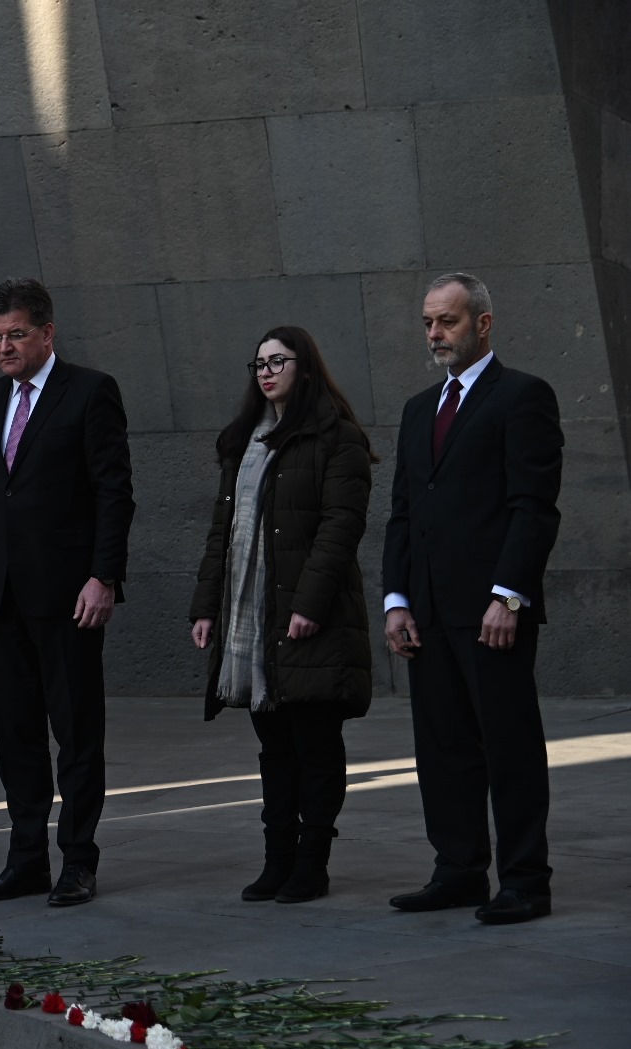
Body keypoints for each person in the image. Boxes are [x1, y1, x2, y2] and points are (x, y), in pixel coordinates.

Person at [382, 273, 564, 925]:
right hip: (427, 612)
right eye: (429, 323)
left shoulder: (523, 397)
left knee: (508, 744)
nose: (435, 334)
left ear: (483, 324)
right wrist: (396, 600)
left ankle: (524, 881)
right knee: (443, 747)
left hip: (493, 613)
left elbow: (532, 508)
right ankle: (458, 870)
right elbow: (403, 512)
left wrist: (508, 596)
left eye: (448, 322)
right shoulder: (415, 411)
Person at [0, 277, 135, 907]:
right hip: (1, 600)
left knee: (78, 734)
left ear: (47, 333)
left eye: (16, 334)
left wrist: (104, 575)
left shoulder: (89, 392)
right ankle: (25, 858)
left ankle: (77, 862)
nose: (4, 347)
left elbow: (114, 491)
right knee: (17, 736)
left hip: (70, 598)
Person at [188, 327, 376, 904]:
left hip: (306, 614)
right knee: (274, 747)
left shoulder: (336, 439)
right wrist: (206, 605)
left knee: (314, 743)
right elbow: (226, 532)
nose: (266, 372)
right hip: (250, 614)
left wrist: (308, 606)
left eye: (278, 361)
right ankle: (278, 859)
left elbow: (339, 529)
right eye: (259, 363)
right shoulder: (244, 441)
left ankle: (311, 863)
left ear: (305, 367)